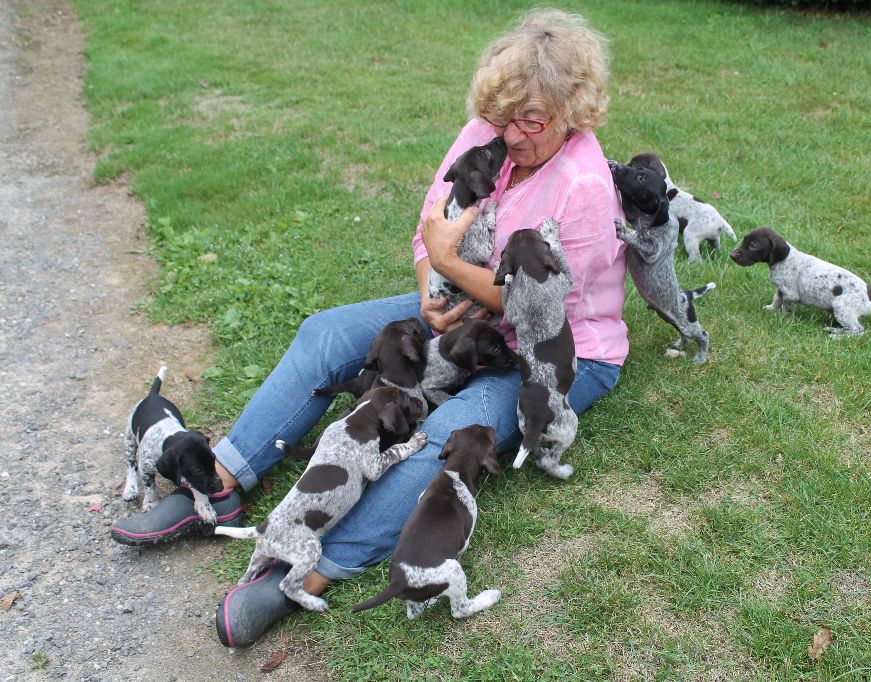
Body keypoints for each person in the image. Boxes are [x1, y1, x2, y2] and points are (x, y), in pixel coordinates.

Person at [110, 8, 628, 647]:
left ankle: (310, 572)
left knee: (441, 434)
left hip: (553, 349)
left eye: (532, 119)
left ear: (573, 112)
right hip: (467, 310)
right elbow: (428, 227)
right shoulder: (483, 136)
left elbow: (533, 309)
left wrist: (445, 261)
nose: (512, 135)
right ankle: (222, 480)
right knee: (327, 334)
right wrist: (427, 285)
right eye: (502, 117)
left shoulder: (584, 183)